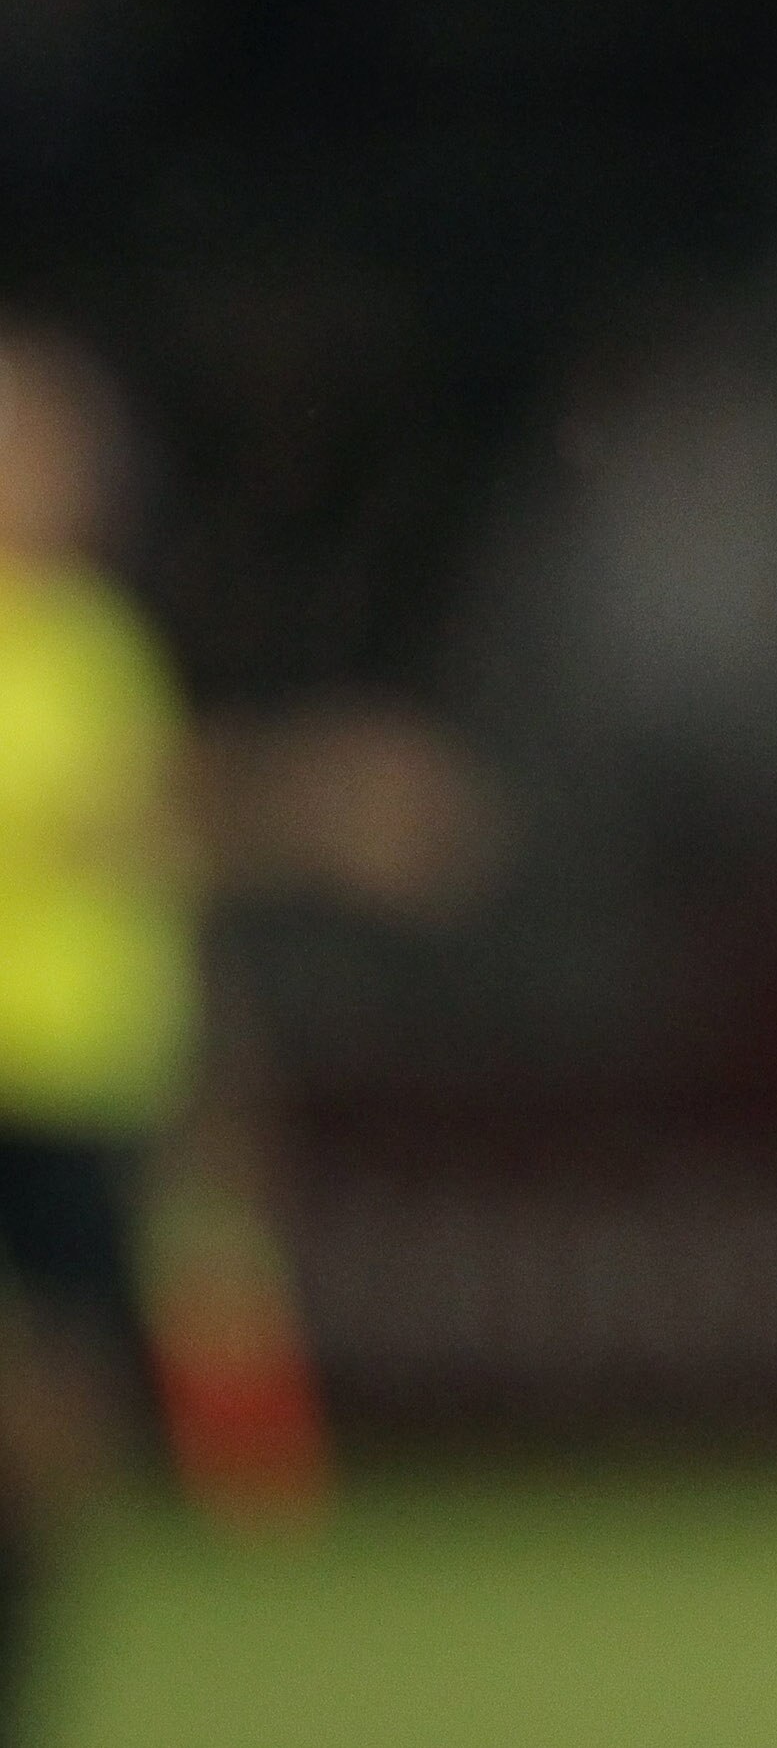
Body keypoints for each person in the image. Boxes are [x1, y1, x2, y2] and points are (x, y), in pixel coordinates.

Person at [0, 327, 191, 1746]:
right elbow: (94, 815)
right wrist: (314, 801)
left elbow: (142, 853)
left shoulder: (97, 639)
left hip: (88, 1078)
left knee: (66, 1416)